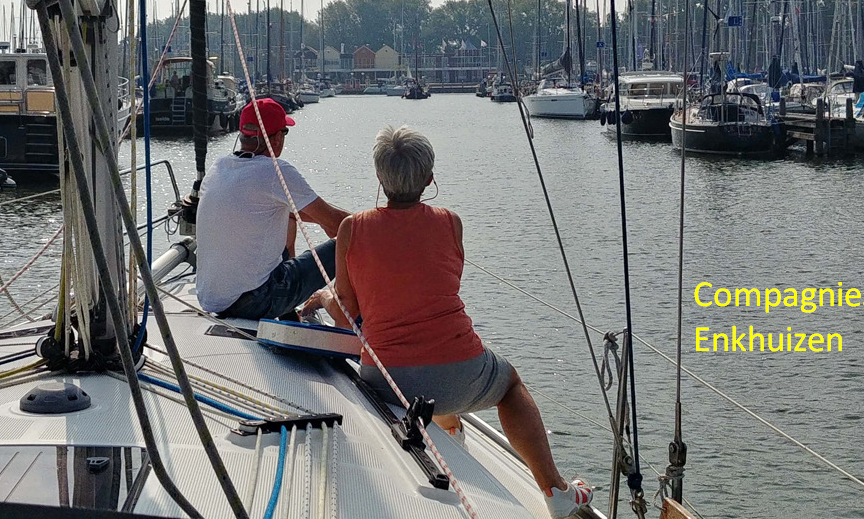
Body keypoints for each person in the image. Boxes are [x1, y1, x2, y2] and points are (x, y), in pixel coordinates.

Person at [322, 125, 593, 519]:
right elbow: (438, 287)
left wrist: (325, 297)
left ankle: (450, 428)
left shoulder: (352, 229)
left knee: (426, 359)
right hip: (461, 373)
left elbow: (346, 310)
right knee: (510, 385)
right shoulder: (451, 222)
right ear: (430, 179)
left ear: (379, 178)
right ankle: (556, 489)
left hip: (388, 383)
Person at [195, 98, 350, 320]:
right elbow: (339, 224)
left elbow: (300, 212)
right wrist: (375, 227)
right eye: (284, 133)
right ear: (277, 138)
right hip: (256, 301)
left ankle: (289, 316)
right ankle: (348, 315)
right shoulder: (275, 172)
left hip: (212, 300)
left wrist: (324, 221)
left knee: (284, 212)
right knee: (351, 238)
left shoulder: (219, 167)